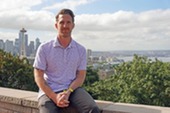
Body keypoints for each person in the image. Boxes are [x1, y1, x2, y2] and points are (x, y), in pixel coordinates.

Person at [33, 8, 100, 113]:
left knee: (93, 109)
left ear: (73, 25)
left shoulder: (80, 50)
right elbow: (38, 76)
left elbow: (80, 76)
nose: (65, 26)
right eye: (61, 22)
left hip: (72, 90)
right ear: (56, 25)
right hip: (49, 91)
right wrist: (54, 97)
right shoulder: (44, 48)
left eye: (68, 22)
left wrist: (68, 92)